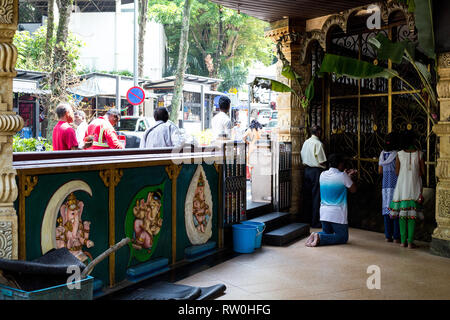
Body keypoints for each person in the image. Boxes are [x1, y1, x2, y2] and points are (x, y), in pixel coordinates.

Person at [305, 153, 357, 247]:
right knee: (343, 237)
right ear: (340, 164)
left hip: (324, 213)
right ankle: (319, 237)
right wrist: (349, 177)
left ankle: (317, 235)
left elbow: (336, 179)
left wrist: (345, 175)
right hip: (337, 214)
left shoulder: (322, 175)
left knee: (328, 233)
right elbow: (353, 190)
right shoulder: (343, 176)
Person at [389, 131, 425, 249]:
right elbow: (422, 172)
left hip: (402, 187)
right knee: (412, 216)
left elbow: (397, 172)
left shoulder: (399, 154)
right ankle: (410, 242)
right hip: (414, 186)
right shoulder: (419, 154)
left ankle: (403, 241)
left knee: (402, 215)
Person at [301, 125, 327, 228]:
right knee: (316, 197)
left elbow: (302, 155)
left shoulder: (306, 142)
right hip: (316, 171)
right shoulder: (318, 144)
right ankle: (315, 221)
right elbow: (321, 160)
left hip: (307, 170)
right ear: (319, 132)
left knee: (307, 196)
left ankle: (306, 219)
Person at [378, 132, 400, 243]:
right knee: (395, 209)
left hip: (385, 186)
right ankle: (396, 236)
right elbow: (397, 171)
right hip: (395, 185)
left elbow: (380, 170)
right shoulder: (397, 154)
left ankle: (388, 236)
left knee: (386, 209)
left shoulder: (382, 154)